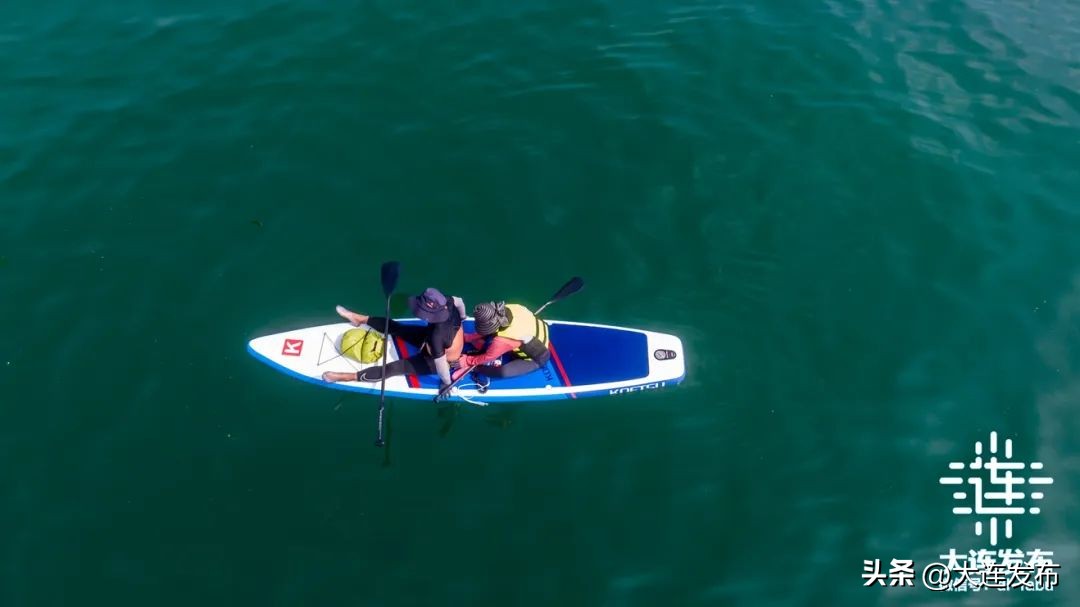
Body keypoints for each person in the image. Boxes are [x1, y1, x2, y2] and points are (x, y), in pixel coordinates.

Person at [322, 287, 466, 390]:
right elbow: (459, 302)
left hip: (441, 359)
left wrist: (446, 383)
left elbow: (441, 365)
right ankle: (358, 318)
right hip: (433, 339)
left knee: (395, 368)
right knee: (397, 327)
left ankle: (347, 377)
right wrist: (463, 317)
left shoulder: (437, 337)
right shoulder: (447, 301)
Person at [453, 301, 551, 381]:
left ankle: (475, 369)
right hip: (540, 329)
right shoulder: (510, 308)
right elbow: (490, 326)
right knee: (493, 338)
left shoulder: (502, 341)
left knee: (501, 372)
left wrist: (468, 361)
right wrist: (471, 337)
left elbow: (489, 357)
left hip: (538, 357)